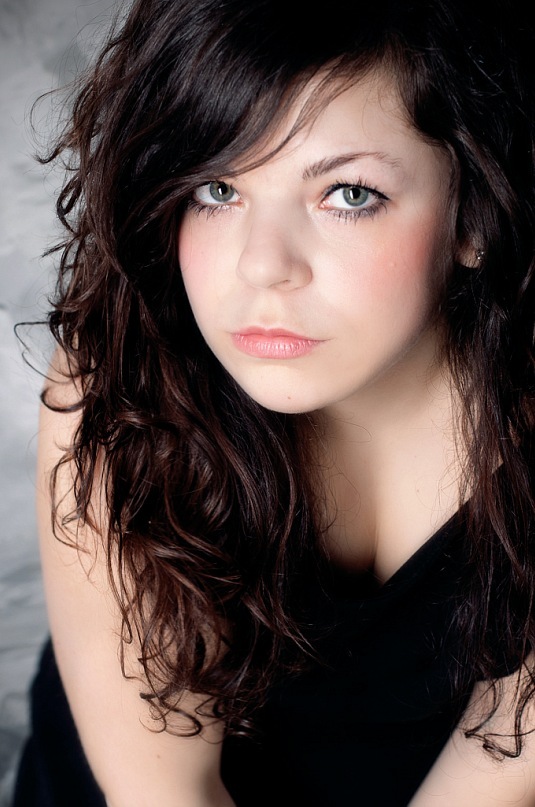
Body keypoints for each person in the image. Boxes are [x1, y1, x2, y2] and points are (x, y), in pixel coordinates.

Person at [12, 0, 535, 804]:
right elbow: (165, 794)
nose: (262, 266)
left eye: (348, 194)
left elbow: (498, 774)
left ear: (475, 216)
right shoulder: (120, 388)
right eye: (217, 188)